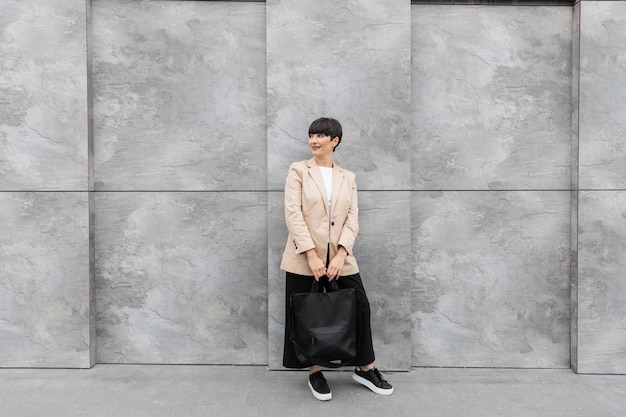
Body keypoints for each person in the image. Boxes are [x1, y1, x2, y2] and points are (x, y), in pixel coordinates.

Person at [280, 117, 393, 401]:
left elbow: (352, 218)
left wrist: (341, 253)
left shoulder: (348, 177)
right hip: (303, 257)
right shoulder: (298, 171)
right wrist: (311, 255)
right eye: (311, 135)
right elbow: (293, 214)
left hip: (341, 257)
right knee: (306, 315)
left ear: (335, 141)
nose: (313, 141)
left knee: (360, 307)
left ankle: (365, 368)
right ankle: (315, 371)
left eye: (320, 136)